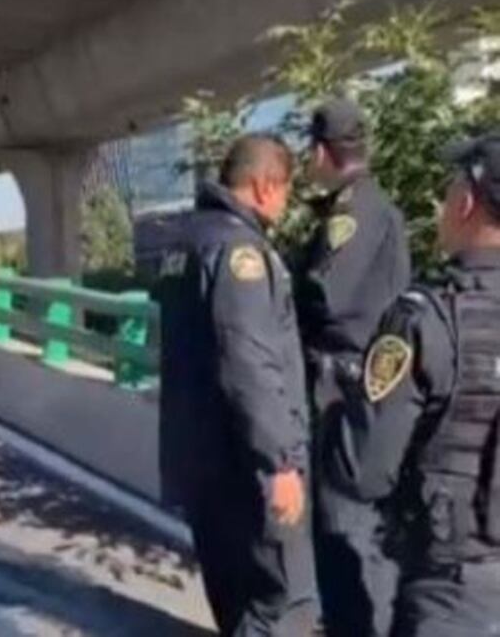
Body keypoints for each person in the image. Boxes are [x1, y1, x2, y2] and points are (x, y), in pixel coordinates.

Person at [327, 133, 500, 636]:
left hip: (451, 590)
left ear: (466, 202)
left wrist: (342, 406)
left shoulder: (424, 318)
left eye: (449, 190)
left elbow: (362, 470)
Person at [157, 134, 318, 635]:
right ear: (266, 186)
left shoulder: (186, 242)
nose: (287, 204)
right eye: (287, 191)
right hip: (244, 469)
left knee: (235, 601)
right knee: (283, 604)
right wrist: (281, 462)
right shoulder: (239, 253)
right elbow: (248, 363)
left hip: (199, 463)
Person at [294, 99, 411, 636]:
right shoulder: (372, 206)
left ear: (321, 152)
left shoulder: (353, 212)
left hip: (343, 391)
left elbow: (325, 293)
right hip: (360, 385)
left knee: (345, 537)